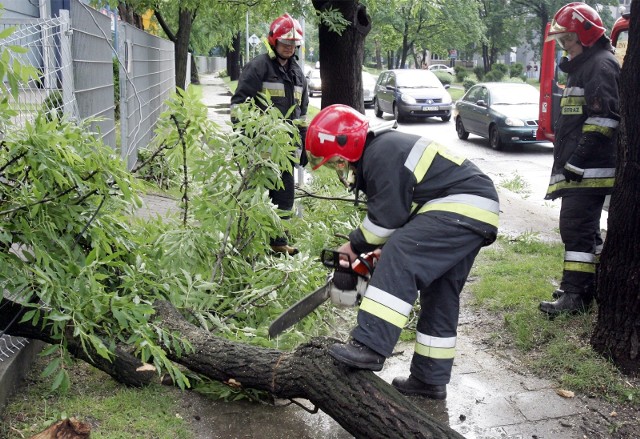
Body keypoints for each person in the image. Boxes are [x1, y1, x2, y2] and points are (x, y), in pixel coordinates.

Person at [305, 104, 499, 399]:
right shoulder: (385, 150)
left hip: (461, 206)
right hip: (474, 211)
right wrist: (373, 252)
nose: (337, 169)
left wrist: (353, 246)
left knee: (401, 254)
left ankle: (369, 345)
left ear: (348, 145)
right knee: (440, 291)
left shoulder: (381, 153)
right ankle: (429, 379)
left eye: (336, 162)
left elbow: (386, 220)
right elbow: (397, 214)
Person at [539, 2, 620, 316]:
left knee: (575, 228)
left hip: (589, 170)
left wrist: (576, 161)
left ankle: (576, 296)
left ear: (585, 36)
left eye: (567, 39)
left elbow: (605, 119)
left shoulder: (600, 65)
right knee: (582, 232)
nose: (563, 46)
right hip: (582, 169)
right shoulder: (585, 66)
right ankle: (585, 286)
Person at [230, 13, 309, 256]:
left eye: (292, 45)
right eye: (285, 44)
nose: (288, 48)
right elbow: (239, 107)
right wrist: (247, 142)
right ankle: (243, 246)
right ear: (273, 42)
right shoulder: (258, 67)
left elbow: (302, 114)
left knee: (284, 200)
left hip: (284, 153)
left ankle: (278, 244)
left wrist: (303, 147)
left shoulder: (297, 73)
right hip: (258, 151)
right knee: (252, 199)